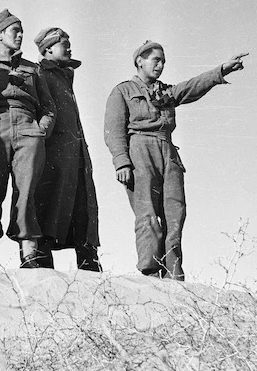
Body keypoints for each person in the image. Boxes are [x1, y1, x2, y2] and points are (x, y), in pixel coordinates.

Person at [104, 41, 248, 280]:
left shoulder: (166, 92)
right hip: (140, 149)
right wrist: (122, 162)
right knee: (147, 211)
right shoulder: (123, 91)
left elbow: (192, 87)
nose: (160, 65)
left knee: (175, 211)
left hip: (168, 151)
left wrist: (221, 70)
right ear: (139, 61)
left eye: (163, 61)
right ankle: (150, 269)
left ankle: (173, 270)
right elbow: (113, 130)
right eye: (155, 60)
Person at [0, 9, 56, 269]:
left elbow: (49, 107)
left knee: (26, 193)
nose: (21, 35)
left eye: (22, 30)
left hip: (28, 129)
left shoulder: (32, 69)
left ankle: (28, 255)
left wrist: (41, 130)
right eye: (15, 31)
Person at [34, 27, 101, 271]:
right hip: (53, 152)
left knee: (83, 204)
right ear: (48, 48)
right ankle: (41, 264)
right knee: (49, 201)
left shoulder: (64, 75)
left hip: (75, 152)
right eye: (64, 42)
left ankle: (89, 262)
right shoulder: (39, 73)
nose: (69, 46)